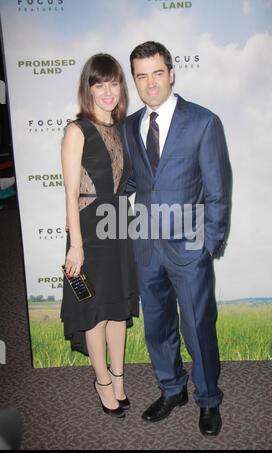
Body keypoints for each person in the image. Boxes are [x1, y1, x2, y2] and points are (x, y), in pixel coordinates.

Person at [123, 41, 231, 436]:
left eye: (157, 73)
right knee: (157, 324)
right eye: (141, 75)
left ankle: (207, 398)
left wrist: (209, 243)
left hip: (190, 246)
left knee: (198, 325)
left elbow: (218, 188)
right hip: (146, 244)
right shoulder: (131, 124)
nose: (150, 83)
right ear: (134, 80)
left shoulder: (203, 122)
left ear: (171, 73)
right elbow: (137, 179)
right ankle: (172, 389)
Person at [60, 53, 139, 419]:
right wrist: (75, 246)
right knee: (93, 312)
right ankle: (102, 381)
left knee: (118, 311)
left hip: (120, 226)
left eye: (113, 83)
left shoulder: (125, 127)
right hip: (88, 237)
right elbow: (71, 194)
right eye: (99, 84)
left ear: (120, 87)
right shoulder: (77, 131)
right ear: (88, 88)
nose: (108, 92)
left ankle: (119, 377)